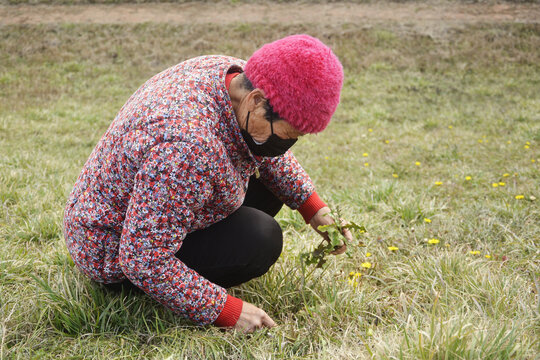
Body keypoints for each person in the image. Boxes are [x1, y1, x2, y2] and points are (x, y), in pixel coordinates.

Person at [63, 34, 351, 334]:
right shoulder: (188, 147)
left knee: (268, 187)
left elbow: (261, 147)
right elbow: (141, 257)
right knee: (260, 239)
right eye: (288, 134)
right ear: (257, 100)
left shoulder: (234, 75)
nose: (287, 145)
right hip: (111, 249)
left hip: (148, 205)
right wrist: (224, 309)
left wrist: (314, 208)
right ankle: (141, 287)